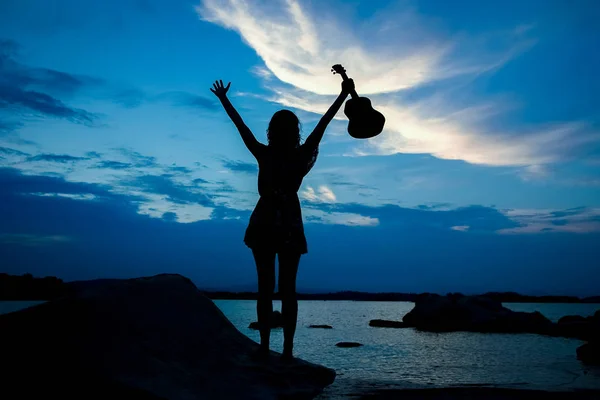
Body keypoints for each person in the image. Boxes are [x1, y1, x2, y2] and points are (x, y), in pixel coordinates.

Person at [210, 78, 354, 361]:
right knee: (288, 289)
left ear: (273, 131)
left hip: (266, 221)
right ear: (295, 132)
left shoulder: (265, 153)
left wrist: (224, 99)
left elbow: (242, 128)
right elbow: (324, 123)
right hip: (288, 222)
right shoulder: (299, 155)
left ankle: (265, 346)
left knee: (265, 288)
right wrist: (342, 95)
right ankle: (287, 350)